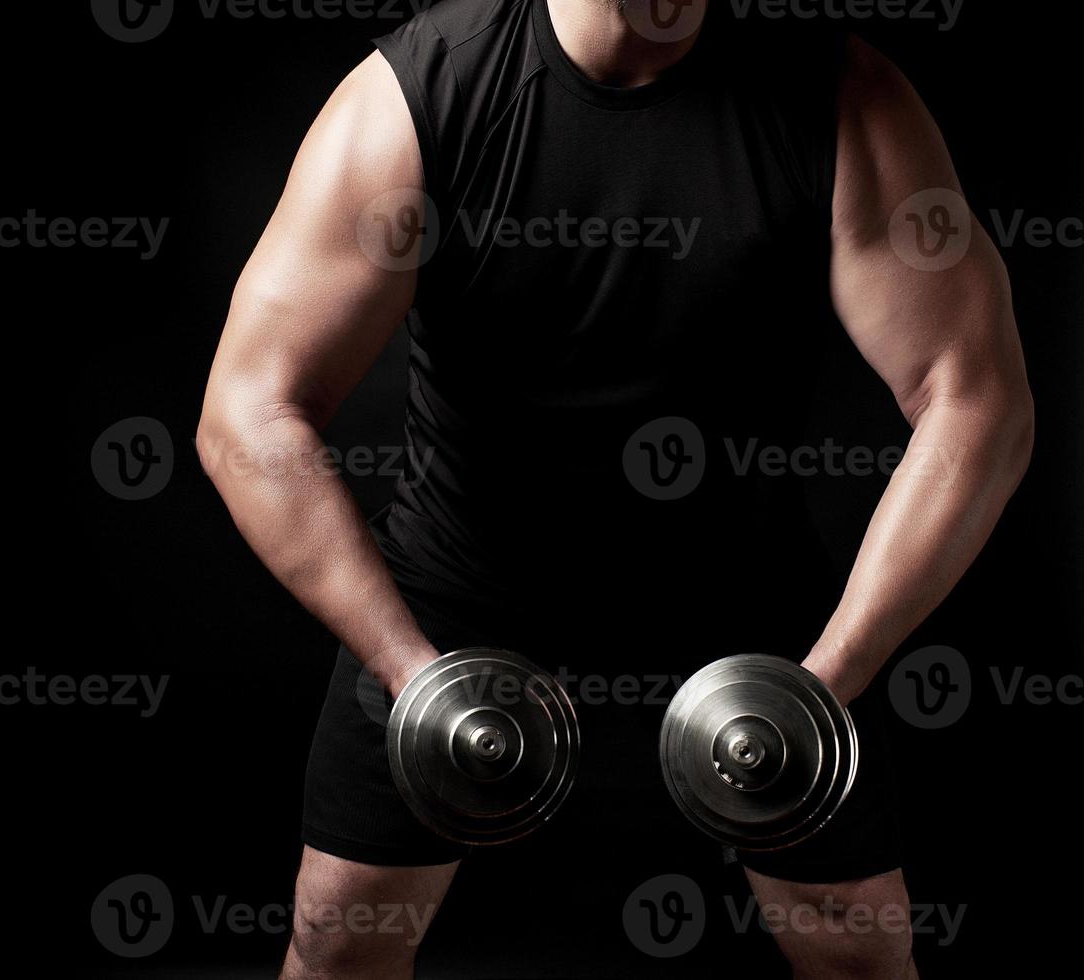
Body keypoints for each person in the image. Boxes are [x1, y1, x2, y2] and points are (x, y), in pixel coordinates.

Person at [197, 1, 1033, 976]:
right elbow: (248, 410)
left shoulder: (843, 97)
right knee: (339, 940)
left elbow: (975, 403)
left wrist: (830, 679)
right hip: (465, 578)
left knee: (859, 950)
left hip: (740, 583)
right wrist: (406, 667)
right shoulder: (418, 97)